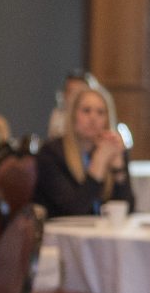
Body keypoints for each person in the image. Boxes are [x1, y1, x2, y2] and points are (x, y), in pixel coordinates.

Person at [34, 83, 134, 216]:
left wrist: (118, 170)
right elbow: (74, 210)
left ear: (107, 120)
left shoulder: (112, 150)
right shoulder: (51, 153)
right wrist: (99, 162)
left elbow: (127, 211)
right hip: (60, 228)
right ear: (73, 116)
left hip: (102, 229)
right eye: (86, 111)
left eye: (100, 112)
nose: (93, 118)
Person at [46, 70, 95, 144]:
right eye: (71, 92)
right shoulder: (58, 114)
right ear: (64, 94)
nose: (74, 98)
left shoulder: (95, 114)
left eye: (79, 93)